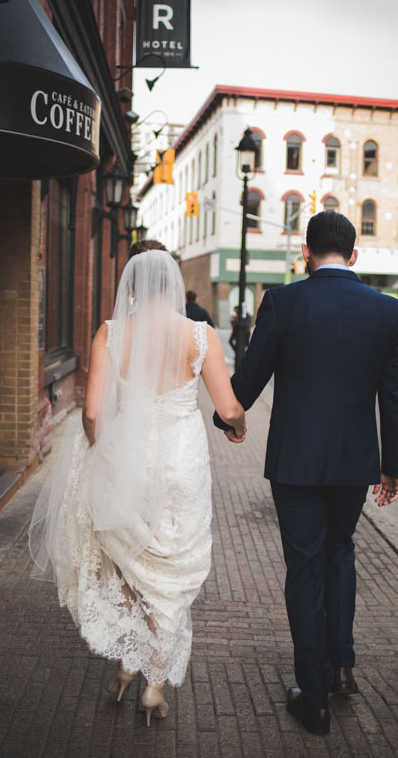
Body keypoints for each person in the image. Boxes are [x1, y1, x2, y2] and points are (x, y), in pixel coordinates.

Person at [29, 240, 245, 727]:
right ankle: (154, 684)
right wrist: (240, 423)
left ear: (131, 284)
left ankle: (128, 663)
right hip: (181, 462)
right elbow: (228, 408)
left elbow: (90, 412)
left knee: (127, 559)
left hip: (127, 456)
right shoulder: (200, 334)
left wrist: (101, 450)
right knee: (169, 571)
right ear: (172, 284)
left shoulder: (111, 334)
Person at [214, 211, 398, 736]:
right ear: (353, 255)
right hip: (354, 463)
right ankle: (342, 666)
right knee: (340, 552)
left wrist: (227, 418)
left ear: (305, 253)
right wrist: (393, 467)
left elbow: (250, 376)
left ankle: (314, 694)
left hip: (296, 461)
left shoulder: (284, 302)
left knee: (304, 565)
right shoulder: (388, 311)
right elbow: (394, 397)